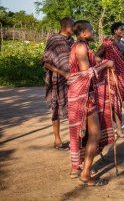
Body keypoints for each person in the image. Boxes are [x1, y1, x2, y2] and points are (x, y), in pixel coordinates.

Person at [67, 20, 114, 186]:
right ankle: (85, 175)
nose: (93, 31)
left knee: (88, 134)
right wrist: (105, 65)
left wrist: (102, 62)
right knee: (95, 134)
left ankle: (80, 168)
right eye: (91, 29)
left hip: (84, 95)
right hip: (84, 96)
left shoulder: (82, 46)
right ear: (83, 33)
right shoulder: (80, 47)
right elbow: (86, 73)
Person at [41, 17, 75, 151]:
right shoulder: (54, 40)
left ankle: (74, 140)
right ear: (66, 26)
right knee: (56, 109)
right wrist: (62, 73)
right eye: (73, 25)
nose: (75, 28)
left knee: (73, 108)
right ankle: (57, 139)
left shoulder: (72, 40)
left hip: (71, 79)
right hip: (57, 79)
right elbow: (45, 62)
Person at [96, 22, 124, 138]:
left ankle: (119, 129)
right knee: (110, 102)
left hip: (121, 74)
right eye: (122, 29)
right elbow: (96, 57)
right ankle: (107, 129)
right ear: (115, 31)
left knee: (118, 102)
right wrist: (106, 63)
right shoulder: (107, 43)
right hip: (110, 75)